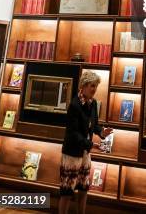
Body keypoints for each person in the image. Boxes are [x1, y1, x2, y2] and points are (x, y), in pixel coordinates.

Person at [58, 71, 112, 214]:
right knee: (67, 191)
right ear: (83, 86)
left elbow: (93, 125)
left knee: (83, 189)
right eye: (92, 86)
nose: (94, 89)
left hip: (85, 153)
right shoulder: (74, 105)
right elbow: (72, 133)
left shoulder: (93, 103)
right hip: (71, 154)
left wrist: (101, 132)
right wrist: (90, 144)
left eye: (96, 86)